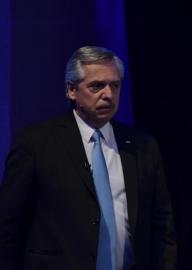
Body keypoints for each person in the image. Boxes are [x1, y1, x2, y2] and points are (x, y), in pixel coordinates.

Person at [0, 46, 177, 270]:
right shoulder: (36, 142)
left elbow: (162, 228)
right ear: (71, 90)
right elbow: (9, 227)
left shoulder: (143, 146)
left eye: (115, 85)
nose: (109, 94)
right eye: (97, 86)